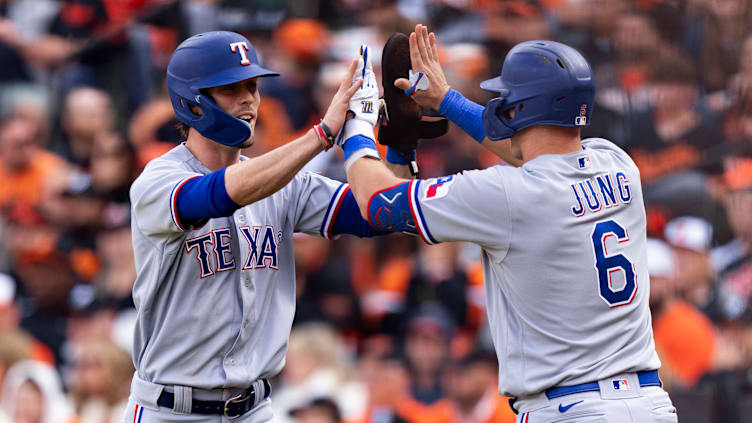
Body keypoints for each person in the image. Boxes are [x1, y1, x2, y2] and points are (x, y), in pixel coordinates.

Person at [340, 25, 676, 421]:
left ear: (520, 110)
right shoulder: (617, 162)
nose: (500, 107)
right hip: (649, 403)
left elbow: (377, 201)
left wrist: (357, 124)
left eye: (506, 100)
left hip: (571, 408)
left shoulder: (506, 194)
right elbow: (535, 156)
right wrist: (446, 101)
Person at [126, 30, 392, 422]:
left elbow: (378, 212)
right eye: (231, 88)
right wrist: (321, 136)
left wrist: (395, 139)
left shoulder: (279, 181)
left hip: (255, 409)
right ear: (193, 102)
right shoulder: (157, 181)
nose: (249, 98)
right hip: (171, 409)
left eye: (252, 86)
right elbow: (217, 195)